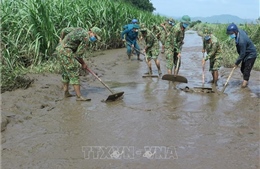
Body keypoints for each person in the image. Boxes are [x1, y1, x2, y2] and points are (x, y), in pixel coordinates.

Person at [56, 26, 101, 101]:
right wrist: (83, 64)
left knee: (65, 72)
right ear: (91, 32)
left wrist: (61, 39)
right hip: (66, 52)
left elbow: (64, 30)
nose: (95, 39)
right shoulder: (86, 38)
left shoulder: (79, 29)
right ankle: (79, 97)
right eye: (95, 36)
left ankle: (66, 92)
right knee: (73, 71)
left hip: (59, 49)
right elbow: (78, 55)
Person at [226, 23, 257, 87]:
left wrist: (236, 63)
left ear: (235, 32)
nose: (230, 35)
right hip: (245, 53)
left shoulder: (241, 41)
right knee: (242, 69)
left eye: (231, 34)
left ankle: (244, 85)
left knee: (246, 70)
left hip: (251, 54)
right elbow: (245, 32)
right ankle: (246, 78)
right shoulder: (239, 31)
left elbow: (242, 54)